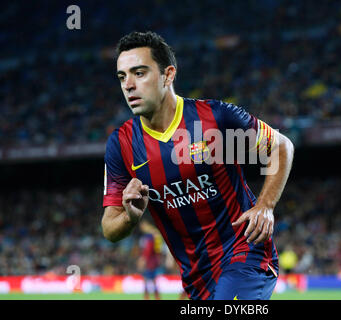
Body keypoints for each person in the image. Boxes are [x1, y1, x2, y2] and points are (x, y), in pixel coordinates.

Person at [101, 31, 294, 300]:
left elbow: (281, 146)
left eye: (139, 73)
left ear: (168, 75)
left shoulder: (214, 118)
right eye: (122, 77)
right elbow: (109, 229)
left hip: (245, 251)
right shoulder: (121, 145)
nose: (128, 85)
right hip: (196, 278)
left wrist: (266, 206)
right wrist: (130, 218)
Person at [137, 219, 163, 300]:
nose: (142, 228)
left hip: (150, 260)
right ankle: (156, 297)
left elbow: (148, 249)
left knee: (147, 279)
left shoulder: (149, 235)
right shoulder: (155, 233)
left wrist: (143, 259)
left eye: (142, 226)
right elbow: (157, 248)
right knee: (152, 279)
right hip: (154, 259)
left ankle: (147, 297)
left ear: (145, 224)